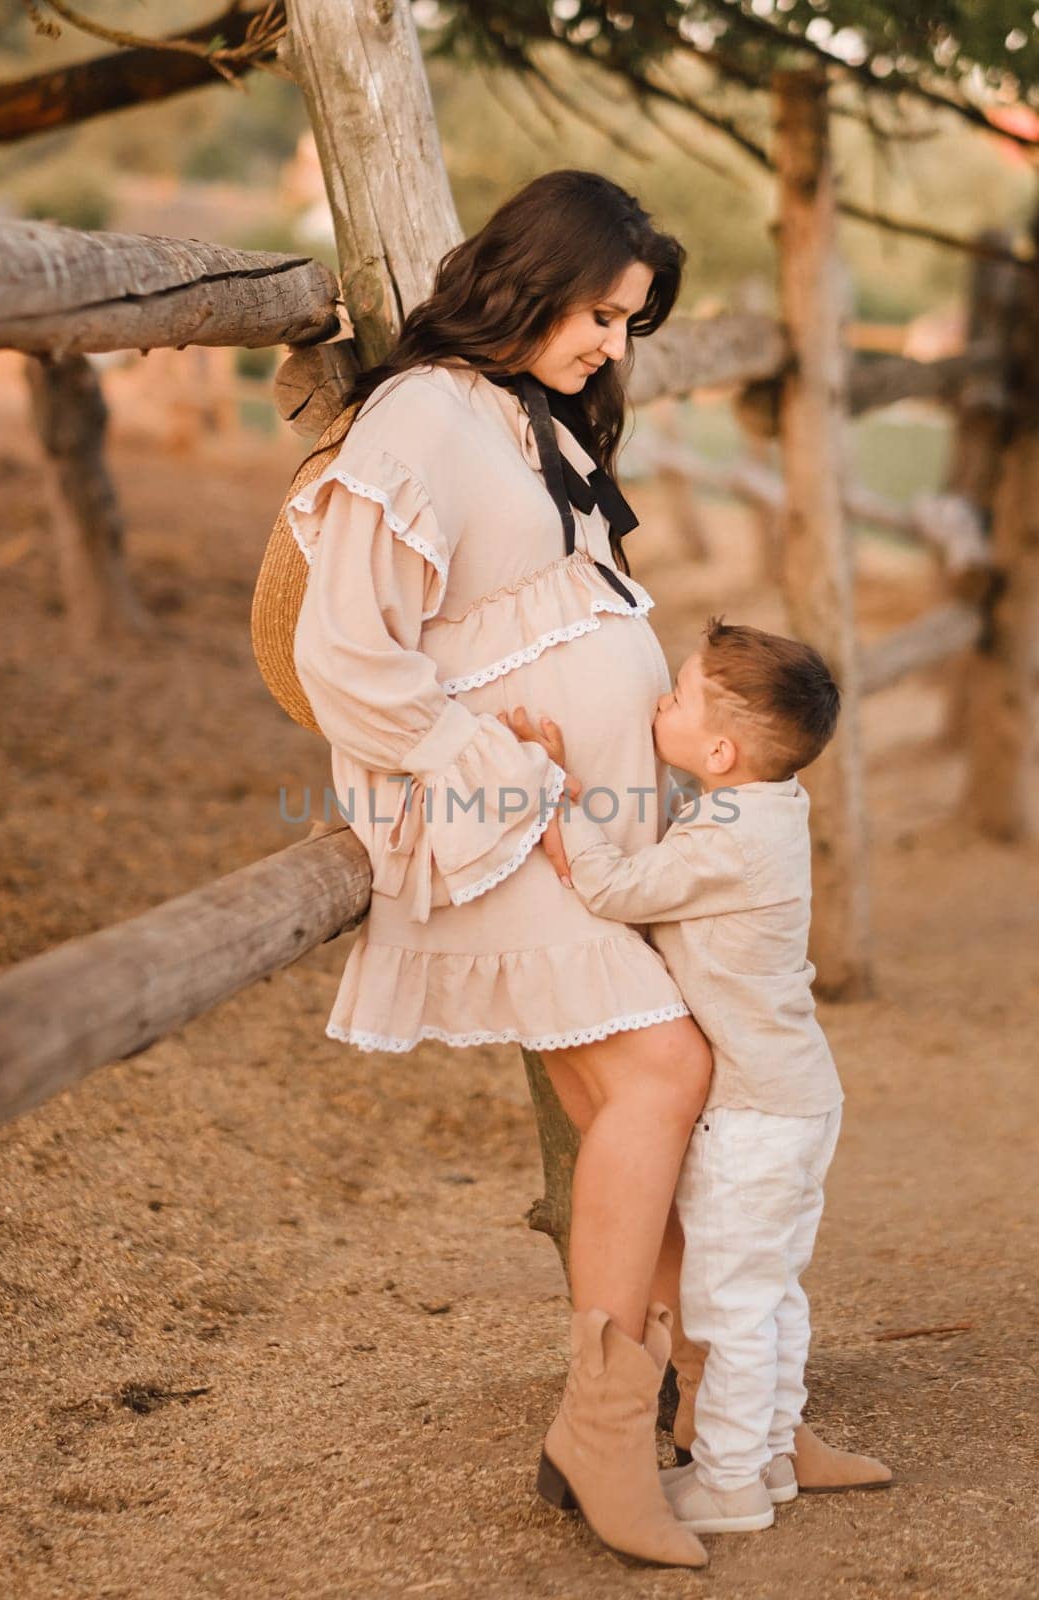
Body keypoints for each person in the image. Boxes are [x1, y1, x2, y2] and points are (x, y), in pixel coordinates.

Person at [253, 169, 886, 1570]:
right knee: (667, 1074)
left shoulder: (531, 420)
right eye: (601, 311)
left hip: (584, 829)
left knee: (666, 1101)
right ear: (531, 280)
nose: (612, 343)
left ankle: (730, 1413)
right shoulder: (420, 417)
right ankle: (601, 1428)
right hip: (494, 821)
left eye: (630, 322)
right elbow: (346, 657)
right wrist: (500, 765)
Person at [502, 617, 893, 1536]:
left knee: (733, 1302)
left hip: (758, 1111)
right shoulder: (760, 804)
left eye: (673, 697)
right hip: (794, 1097)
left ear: (718, 750)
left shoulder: (728, 841)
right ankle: (768, 1455)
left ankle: (728, 1483)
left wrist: (555, 792)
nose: (656, 704)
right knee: (771, 1291)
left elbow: (610, 889)